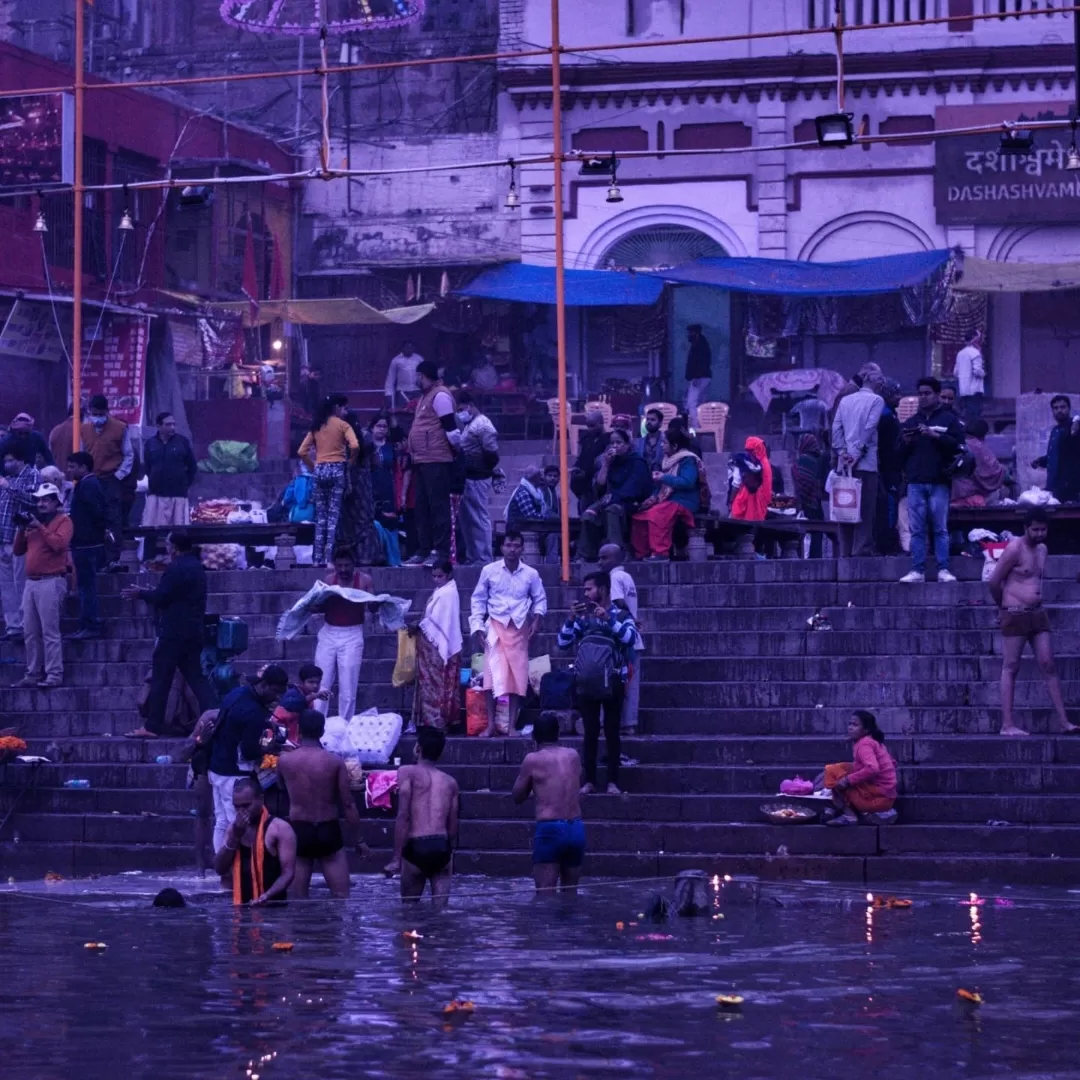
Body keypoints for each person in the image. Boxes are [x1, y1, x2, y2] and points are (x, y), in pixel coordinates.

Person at [987, 507, 1078, 737]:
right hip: (1014, 612)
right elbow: (994, 582)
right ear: (1026, 528)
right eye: (1035, 529)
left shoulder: (1043, 550)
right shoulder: (1014, 548)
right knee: (1011, 667)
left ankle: (1064, 721)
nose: (1039, 533)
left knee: (1049, 664)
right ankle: (1007, 725)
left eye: (1043, 529)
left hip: (1037, 613)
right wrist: (1003, 607)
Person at [121, 532, 218, 738]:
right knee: (196, 676)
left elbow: (162, 597)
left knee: (161, 677)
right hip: (194, 631)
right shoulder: (196, 567)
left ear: (173, 547)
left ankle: (152, 726)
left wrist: (141, 593)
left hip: (174, 632)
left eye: (167, 545)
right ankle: (216, 715)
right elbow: (174, 595)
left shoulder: (176, 567)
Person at [557, 570, 638, 795]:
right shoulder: (583, 617)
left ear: (602, 589)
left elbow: (631, 639)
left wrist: (608, 620)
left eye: (589, 589)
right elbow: (563, 643)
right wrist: (571, 618)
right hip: (586, 682)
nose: (585, 593)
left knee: (612, 731)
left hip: (613, 682)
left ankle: (613, 781)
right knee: (590, 732)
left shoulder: (621, 615)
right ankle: (589, 780)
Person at [276, 709, 363, 899]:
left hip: (299, 830)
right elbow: (348, 804)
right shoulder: (334, 762)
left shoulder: (285, 761)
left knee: (298, 902)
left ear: (298, 730)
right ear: (322, 732)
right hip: (327, 829)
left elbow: (282, 791)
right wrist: (359, 841)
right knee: (342, 899)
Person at [469, 529, 548, 737]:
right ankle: (491, 726)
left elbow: (540, 598)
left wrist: (537, 619)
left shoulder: (531, 573)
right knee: (490, 677)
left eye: (516, 546)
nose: (512, 550)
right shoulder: (489, 570)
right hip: (494, 625)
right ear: (502, 547)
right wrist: (477, 626)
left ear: (522, 548)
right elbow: (478, 600)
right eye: (508, 545)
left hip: (520, 626)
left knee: (517, 677)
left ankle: (511, 726)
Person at [206, 665, 289, 852]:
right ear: (264, 685)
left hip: (217, 766)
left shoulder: (238, 693)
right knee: (235, 822)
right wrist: (270, 748)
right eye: (275, 692)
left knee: (221, 820)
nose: (276, 698)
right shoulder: (253, 712)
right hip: (234, 774)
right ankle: (232, 866)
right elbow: (250, 751)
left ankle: (221, 863)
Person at [898, 377, 965, 584]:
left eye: (927, 393)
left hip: (939, 481)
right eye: (920, 393)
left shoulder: (949, 420)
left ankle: (943, 569)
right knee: (917, 530)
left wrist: (934, 435)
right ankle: (917, 570)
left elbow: (959, 446)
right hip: (915, 481)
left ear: (937, 395)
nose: (923, 397)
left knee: (940, 528)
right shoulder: (910, 422)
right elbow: (898, 454)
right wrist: (906, 443)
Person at [383, 726, 460, 905]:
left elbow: (403, 816)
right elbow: (453, 828)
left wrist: (396, 859)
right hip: (442, 848)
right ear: (440, 754)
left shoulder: (406, 772)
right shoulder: (451, 782)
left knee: (409, 914)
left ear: (417, 748)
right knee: (440, 915)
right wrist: (447, 853)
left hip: (416, 846)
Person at [512, 710, 586, 892]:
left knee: (545, 896)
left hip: (550, 829)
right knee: (571, 895)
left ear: (534, 736)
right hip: (576, 828)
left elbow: (517, 796)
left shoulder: (533, 759)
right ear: (558, 734)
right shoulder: (573, 755)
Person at [11, 483, 71, 690]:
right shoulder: (33, 523)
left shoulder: (64, 521)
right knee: (30, 631)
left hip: (52, 581)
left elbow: (58, 545)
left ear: (56, 501)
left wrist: (39, 527)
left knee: (50, 631)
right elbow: (18, 551)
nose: (41, 503)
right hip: (32, 583)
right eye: (39, 500)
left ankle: (54, 674)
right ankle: (33, 673)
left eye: (46, 499)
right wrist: (21, 529)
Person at [212, 776, 297, 905]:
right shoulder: (232, 829)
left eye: (246, 805)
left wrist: (265, 897)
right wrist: (234, 838)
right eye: (237, 807)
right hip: (241, 907)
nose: (241, 811)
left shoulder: (280, 829)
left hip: (274, 908)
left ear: (261, 799)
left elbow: (288, 873)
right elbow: (219, 869)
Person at [405, 359, 457, 567]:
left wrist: (455, 450)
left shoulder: (441, 396)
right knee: (422, 507)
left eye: (418, 376)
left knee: (438, 507)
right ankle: (424, 550)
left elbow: (451, 429)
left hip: (437, 459)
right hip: (423, 460)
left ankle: (440, 552)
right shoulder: (426, 397)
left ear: (423, 376)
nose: (416, 380)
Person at [312, 549, 373, 723]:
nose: (344, 569)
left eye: (347, 565)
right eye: (340, 565)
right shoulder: (329, 580)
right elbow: (322, 606)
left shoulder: (364, 580)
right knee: (322, 681)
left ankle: (344, 726)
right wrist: (312, 607)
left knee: (348, 686)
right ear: (335, 566)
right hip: (329, 632)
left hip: (352, 634)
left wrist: (378, 601)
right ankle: (317, 724)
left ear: (354, 565)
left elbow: (372, 608)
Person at [299, 394, 360, 566]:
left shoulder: (316, 426)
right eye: (344, 408)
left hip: (320, 471)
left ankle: (316, 559)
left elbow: (301, 451)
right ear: (336, 408)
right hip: (337, 470)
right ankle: (329, 559)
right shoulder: (343, 425)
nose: (345, 412)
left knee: (320, 517)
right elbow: (355, 445)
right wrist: (351, 462)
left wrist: (313, 466)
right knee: (333, 516)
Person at [831, 369, 885, 557]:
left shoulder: (846, 400)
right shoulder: (877, 401)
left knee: (844, 510)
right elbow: (869, 428)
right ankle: (861, 550)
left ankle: (845, 551)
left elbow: (836, 428)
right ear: (878, 383)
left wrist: (842, 452)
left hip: (844, 465)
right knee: (865, 510)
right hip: (865, 463)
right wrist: (855, 453)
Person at [630, 426, 704, 559]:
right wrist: (653, 497)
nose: (662, 446)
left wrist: (663, 477)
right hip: (668, 501)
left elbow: (687, 482)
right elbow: (661, 488)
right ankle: (642, 554)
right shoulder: (667, 461)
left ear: (674, 446)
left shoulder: (688, 459)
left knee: (656, 514)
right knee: (639, 516)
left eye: (664, 443)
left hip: (684, 502)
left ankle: (660, 553)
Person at [579, 429, 652, 562]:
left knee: (612, 510)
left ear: (627, 445)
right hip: (609, 499)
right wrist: (606, 464)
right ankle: (587, 554)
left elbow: (634, 489)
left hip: (631, 502)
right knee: (588, 514)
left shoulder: (637, 462)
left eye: (619, 442)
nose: (615, 446)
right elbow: (600, 484)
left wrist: (613, 498)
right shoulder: (611, 462)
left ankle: (616, 553)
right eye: (612, 443)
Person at [80, 395, 133, 568]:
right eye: (93, 413)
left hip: (111, 479)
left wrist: (119, 475)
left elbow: (128, 454)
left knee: (113, 519)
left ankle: (113, 559)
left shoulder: (120, 428)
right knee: (92, 518)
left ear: (107, 412)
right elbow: (83, 454)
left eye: (100, 413)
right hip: (92, 480)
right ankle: (97, 558)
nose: (96, 417)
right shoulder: (83, 429)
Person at [820, 711, 898, 826]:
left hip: (877, 800)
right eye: (849, 724)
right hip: (886, 796)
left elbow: (873, 769)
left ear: (866, 730)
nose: (850, 727)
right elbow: (892, 763)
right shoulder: (872, 741)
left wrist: (847, 780)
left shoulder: (864, 744)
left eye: (855, 725)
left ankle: (849, 816)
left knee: (832, 772)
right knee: (841, 767)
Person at [412, 560, 462, 731]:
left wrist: (419, 626)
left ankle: (437, 721)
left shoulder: (448, 593)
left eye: (440, 576)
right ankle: (433, 721)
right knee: (433, 683)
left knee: (437, 684)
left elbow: (440, 621)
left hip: (438, 645)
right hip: (432, 643)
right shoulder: (442, 590)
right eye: (434, 576)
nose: (436, 579)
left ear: (449, 575)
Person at [598, 544, 643, 736]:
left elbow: (618, 602)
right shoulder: (627, 577)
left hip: (621, 639)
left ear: (616, 559)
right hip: (633, 639)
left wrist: (629, 619)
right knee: (631, 684)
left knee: (613, 681)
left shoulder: (614, 577)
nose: (600, 562)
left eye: (604, 558)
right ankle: (629, 723)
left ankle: (606, 723)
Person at [65, 452, 106, 640]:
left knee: (86, 587)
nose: (69, 470)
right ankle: (88, 623)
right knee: (85, 585)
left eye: (72, 466)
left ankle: (91, 624)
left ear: (83, 467)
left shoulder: (89, 485)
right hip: (84, 543)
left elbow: (97, 514)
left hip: (87, 545)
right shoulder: (85, 484)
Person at [0, 445, 40, 641]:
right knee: (5, 586)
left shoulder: (32, 475)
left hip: (20, 538)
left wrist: (9, 488)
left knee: (20, 583)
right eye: (5, 460)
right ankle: (12, 626)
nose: (7, 464)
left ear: (21, 460)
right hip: (2, 538)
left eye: (10, 460)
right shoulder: (8, 479)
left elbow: (33, 501)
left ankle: (26, 624)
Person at [456, 391, 499, 565]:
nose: (460, 413)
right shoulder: (470, 425)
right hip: (468, 476)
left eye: (461, 409)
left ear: (471, 406)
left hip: (478, 477)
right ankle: (473, 556)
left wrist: (482, 470)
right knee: (467, 519)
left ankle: (484, 558)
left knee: (479, 518)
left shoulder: (483, 425)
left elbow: (492, 454)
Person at [142, 412, 197, 527]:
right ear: (158, 426)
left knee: (178, 531)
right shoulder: (150, 444)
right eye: (168, 424)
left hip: (178, 495)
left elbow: (192, 466)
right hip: (156, 495)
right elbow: (147, 467)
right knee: (152, 530)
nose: (172, 427)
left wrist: (185, 484)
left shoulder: (182, 442)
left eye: (173, 424)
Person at [1032, 395, 1080, 504]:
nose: (1059, 410)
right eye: (1056, 408)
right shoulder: (1055, 430)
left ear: (1069, 408)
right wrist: (1040, 461)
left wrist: (1077, 424)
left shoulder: (1074, 427)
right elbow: (1055, 455)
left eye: (1063, 407)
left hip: (1070, 487)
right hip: (1054, 486)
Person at [875, 380, 904, 557]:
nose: (899, 398)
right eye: (895, 394)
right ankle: (887, 542)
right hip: (888, 469)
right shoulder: (886, 417)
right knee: (889, 506)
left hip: (891, 468)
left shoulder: (890, 415)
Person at [951, 418, 1005, 507]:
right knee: (997, 491)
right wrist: (1004, 471)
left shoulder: (956, 443)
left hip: (951, 495)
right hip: (970, 495)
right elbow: (994, 470)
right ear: (983, 433)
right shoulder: (978, 446)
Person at [792, 433, 828, 559]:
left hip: (803, 501)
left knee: (800, 531)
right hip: (816, 501)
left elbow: (800, 480)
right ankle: (816, 557)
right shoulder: (820, 459)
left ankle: (800, 557)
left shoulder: (802, 459)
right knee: (817, 531)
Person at [569, 411, 608, 515]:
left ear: (601, 423)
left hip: (597, 479)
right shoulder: (586, 437)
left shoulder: (608, 439)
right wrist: (576, 468)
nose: (589, 429)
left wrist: (586, 473)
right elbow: (581, 456)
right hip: (583, 480)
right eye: (588, 426)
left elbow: (603, 461)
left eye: (592, 425)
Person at [728, 436, 773, 521]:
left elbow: (736, 484)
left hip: (745, 498)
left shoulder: (743, 462)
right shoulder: (764, 463)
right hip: (759, 501)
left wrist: (730, 502)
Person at [684, 324, 712, 430]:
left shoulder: (699, 345)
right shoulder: (701, 343)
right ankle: (703, 426)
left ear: (695, 333)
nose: (688, 335)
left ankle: (696, 427)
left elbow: (700, 362)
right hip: (704, 377)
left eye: (690, 333)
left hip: (699, 377)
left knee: (692, 402)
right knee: (701, 402)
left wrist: (695, 377)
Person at [954, 328, 985, 418]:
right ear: (975, 339)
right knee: (974, 417)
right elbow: (977, 371)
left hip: (963, 391)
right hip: (975, 391)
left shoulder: (960, 353)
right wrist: (983, 373)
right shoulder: (975, 353)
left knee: (966, 417)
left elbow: (955, 372)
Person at [384, 341, 423, 409]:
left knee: (418, 412)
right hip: (402, 392)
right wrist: (389, 394)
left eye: (411, 347)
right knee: (402, 413)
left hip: (417, 391)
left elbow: (424, 374)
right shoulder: (396, 360)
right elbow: (391, 378)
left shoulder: (419, 359)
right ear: (403, 348)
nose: (409, 349)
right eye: (407, 347)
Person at [634, 409, 666, 473]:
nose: (649, 422)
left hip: (662, 479)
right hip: (642, 478)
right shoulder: (638, 442)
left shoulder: (667, 441)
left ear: (660, 424)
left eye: (652, 420)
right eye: (647, 419)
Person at [48, 407, 75, 472]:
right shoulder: (82, 430)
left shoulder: (55, 430)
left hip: (57, 477)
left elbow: (49, 454)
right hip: (75, 478)